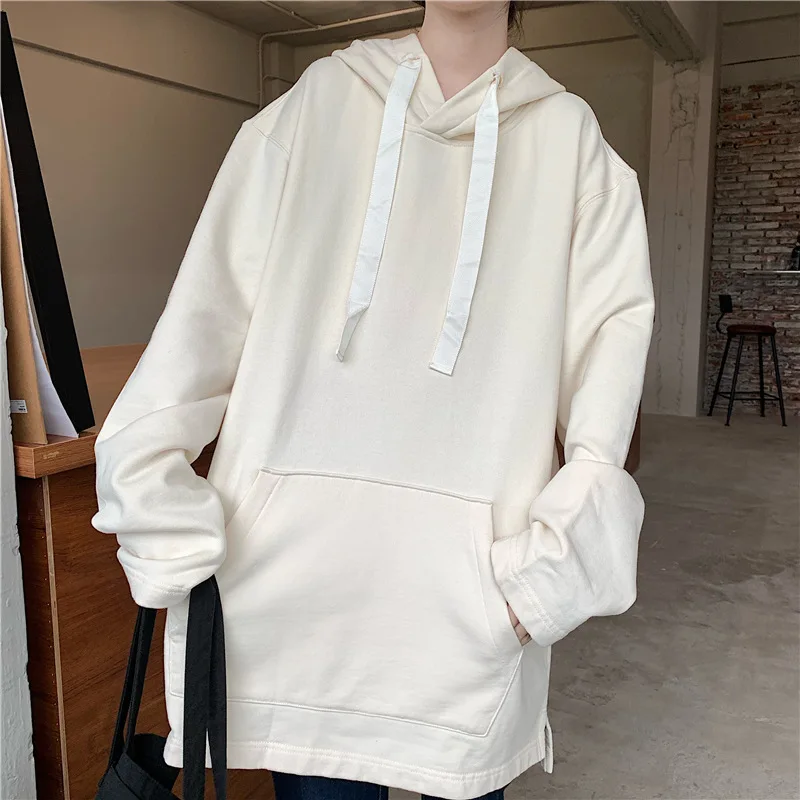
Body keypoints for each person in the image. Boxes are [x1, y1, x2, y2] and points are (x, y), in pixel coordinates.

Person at [92, 0, 655, 798]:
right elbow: (200, 323)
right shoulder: (314, 107)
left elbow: (605, 398)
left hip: (469, 629)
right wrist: (160, 511)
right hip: (291, 613)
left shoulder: (575, 148)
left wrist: (541, 585)